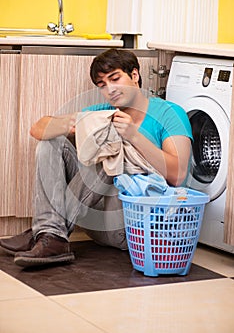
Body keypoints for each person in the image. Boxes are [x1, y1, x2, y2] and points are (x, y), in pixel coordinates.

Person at [0, 48, 193, 268]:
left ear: (135, 75)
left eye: (115, 78)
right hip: (94, 218)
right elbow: (38, 129)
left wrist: (133, 137)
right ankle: (50, 232)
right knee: (52, 142)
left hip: (135, 226)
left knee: (115, 148)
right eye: (102, 85)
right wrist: (72, 125)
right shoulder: (102, 112)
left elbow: (177, 176)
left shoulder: (169, 113)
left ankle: (45, 232)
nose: (110, 89)